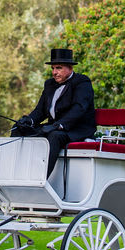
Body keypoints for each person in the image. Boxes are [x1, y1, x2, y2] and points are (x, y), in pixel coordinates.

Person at [12, 48, 96, 176]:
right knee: (18, 128)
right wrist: (29, 120)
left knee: (55, 136)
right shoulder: (49, 84)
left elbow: (79, 108)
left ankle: (41, 177)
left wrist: (58, 125)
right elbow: (40, 110)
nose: (54, 72)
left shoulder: (82, 82)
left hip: (75, 129)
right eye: (53, 68)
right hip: (53, 127)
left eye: (58, 68)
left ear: (70, 68)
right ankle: (16, 171)